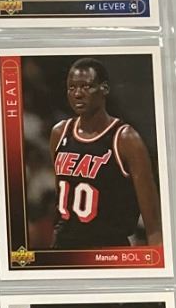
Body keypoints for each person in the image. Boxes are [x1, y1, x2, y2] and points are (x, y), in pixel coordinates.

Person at [48, 59, 162, 252]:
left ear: (105, 88)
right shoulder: (59, 132)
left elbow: (154, 225)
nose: (77, 94)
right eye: (71, 87)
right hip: (64, 248)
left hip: (108, 249)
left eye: (86, 86)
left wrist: (158, 259)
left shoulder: (125, 139)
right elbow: (62, 202)